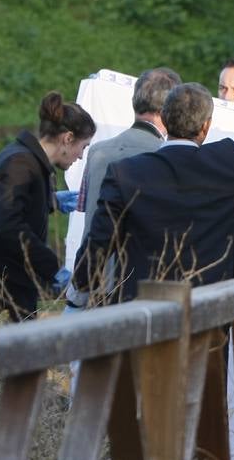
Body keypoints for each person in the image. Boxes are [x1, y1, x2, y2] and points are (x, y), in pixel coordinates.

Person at [70, 72, 234, 304]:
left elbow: (99, 242)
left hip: (141, 312)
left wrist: (82, 283)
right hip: (212, 309)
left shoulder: (125, 173)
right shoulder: (229, 164)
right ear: (206, 126)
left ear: (166, 120)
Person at [0, 91, 95, 321]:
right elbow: (10, 225)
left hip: (5, 288)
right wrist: (54, 267)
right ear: (67, 139)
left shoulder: (27, 161)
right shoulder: (21, 164)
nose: (81, 157)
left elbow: (14, 208)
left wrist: (50, 201)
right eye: (83, 147)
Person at [66, 66, 181, 298]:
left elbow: (85, 212)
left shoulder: (97, 152)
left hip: (90, 280)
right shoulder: (168, 158)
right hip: (137, 287)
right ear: (171, 109)